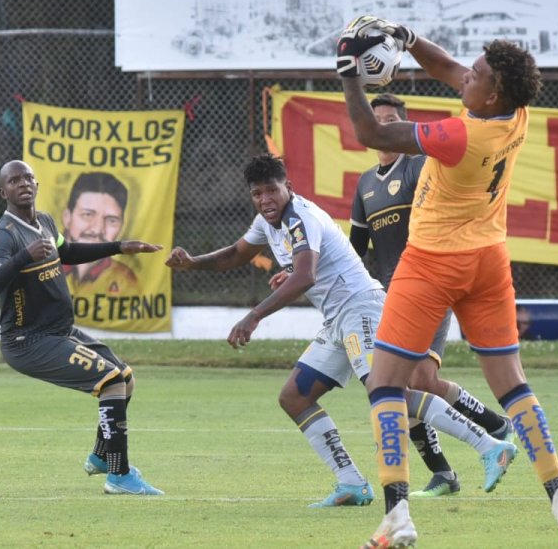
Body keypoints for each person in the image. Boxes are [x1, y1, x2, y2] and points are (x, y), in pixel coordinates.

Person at [336, 17, 558, 549]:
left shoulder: (460, 136)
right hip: (489, 260)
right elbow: (449, 69)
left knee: (385, 384)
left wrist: (348, 73)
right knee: (514, 385)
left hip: (433, 262)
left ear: (492, 91)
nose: (465, 75)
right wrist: (409, 40)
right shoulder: (515, 113)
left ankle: (397, 515)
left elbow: (371, 135)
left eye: (476, 74)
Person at [165, 155, 515, 509]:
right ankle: (351, 482)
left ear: (289, 188)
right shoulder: (267, 222)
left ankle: (490, 446)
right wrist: (193, 262)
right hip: (339, 320)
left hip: (361, 308)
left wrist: (254, 316)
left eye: (272, 190)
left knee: (387, 392)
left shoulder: (300, 217)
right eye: (257, 193)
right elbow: (236, 254)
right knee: (294, 397)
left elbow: (305, 276)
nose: (265, 200)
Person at [349, 93, 513, 499]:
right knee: (409, 384)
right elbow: (356, 248)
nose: (382, 126)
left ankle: (484, 437)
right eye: (376, 119)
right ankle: (471, 448)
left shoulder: (419, 166)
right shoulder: (365, 183)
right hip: (391, 297)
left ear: (402, 125)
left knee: (415, 380)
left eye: (390, 120)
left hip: (430, 285)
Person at [0, 160, 164, 495]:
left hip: (60, 332)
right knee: (110, 381)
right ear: (3, 191)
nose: (23, 183)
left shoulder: (45, 222)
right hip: (28, 341)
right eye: (14, 180)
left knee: (124, 378)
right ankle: (119, 475)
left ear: (37, 184)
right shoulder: (4, 235)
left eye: (28, 178)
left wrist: (119, 246)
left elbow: (69, 251)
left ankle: (102, 457)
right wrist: (23, 257)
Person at [61, 171, 140, 298]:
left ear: (121, 225)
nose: (97, 230)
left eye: (111, 220)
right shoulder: (42, 268)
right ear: (67, 217)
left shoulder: (126, 280)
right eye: (87, 215)